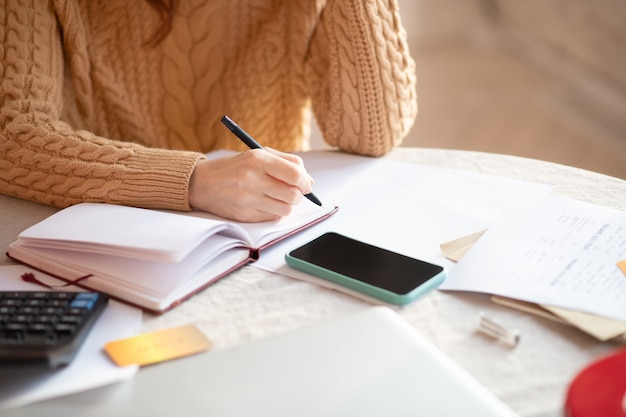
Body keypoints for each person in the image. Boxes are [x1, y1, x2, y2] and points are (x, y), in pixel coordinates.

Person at [1, 0, 417, 222]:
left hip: (260, 231)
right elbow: (12, 135)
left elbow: (372, 133)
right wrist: (193, 181)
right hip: (103, 230)